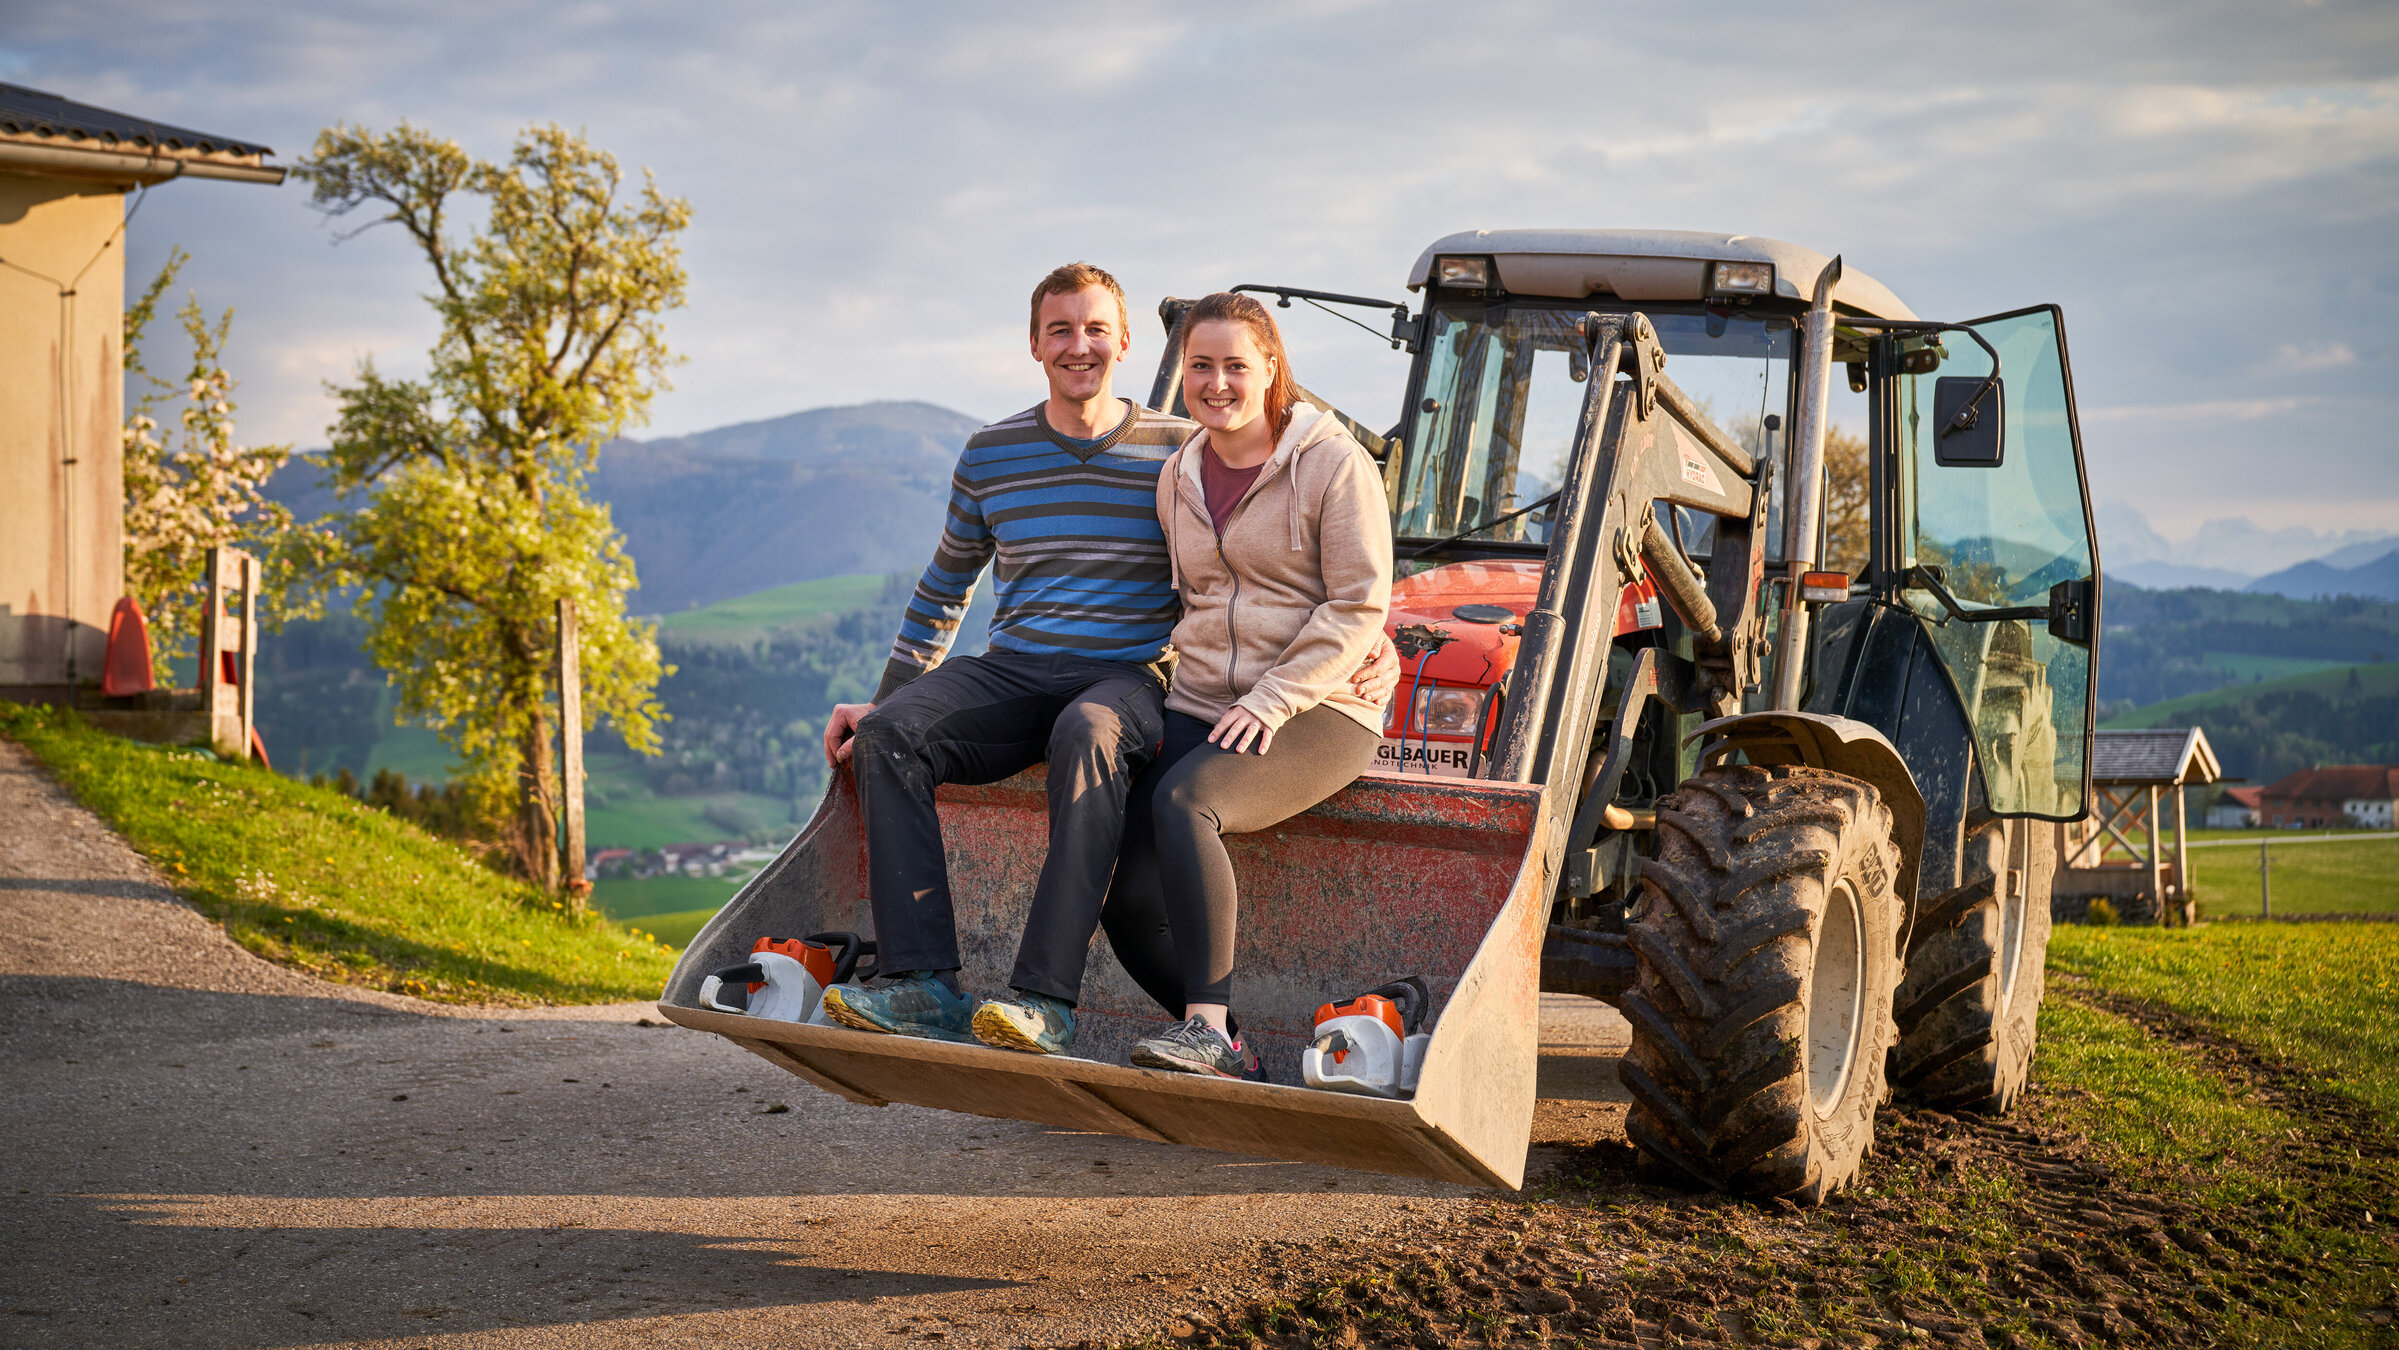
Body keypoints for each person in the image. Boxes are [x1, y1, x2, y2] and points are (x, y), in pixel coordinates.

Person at [817, 264, 1393, 1059]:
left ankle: (1045, 1002)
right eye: (1059, 329)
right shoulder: (1004, 455)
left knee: (1088, 731)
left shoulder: (1175, 450)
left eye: (1094, 329)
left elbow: (1312, 585)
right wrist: (885, 699)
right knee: (892, 737)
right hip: (1020, 667)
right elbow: (943, 587)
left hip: (1130, 677)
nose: (1077, 346)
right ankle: (923, 985)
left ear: (1123, 343)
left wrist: (1370, 641)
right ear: (1033, 344)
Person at [1124, 292, 1395, 1079]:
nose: (1215, 383)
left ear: (1270, 368)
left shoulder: (1333, 462)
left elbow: (1357, 602)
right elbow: (1192, 602)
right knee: (1124, 885)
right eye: (1199, 366)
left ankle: (1203, 1030)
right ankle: (1227, 1043)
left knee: (1186, 801)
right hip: (1204, 698)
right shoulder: (1177, 473)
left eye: (1234, 366)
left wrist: (1274, 697)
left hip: (1320, 705)